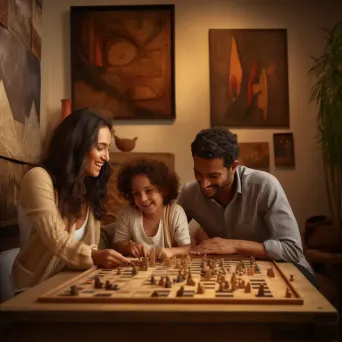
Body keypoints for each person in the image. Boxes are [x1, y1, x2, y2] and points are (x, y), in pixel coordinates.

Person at [177, 126, 316, 285]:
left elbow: (292, 250)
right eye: (198, 174)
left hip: (284, 269)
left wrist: (236, 245)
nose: (204, 184)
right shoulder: (189, 193)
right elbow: (166, 235)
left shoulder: (264, 186)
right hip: (234, 272)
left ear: (234, 167)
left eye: (213, 176)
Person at [12, 108, 130, 290]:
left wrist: (132, 231)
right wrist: (94, 256)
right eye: (100, 148)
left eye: (107, 149)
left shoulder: (88, 187)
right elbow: (57, 239)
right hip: (34, 287)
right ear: (77, 145)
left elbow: (93, 242)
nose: (106, 157)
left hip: (71, 284)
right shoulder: (38, 178)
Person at [114, 158, 191, 259]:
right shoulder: (128, 213)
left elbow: (186, 248)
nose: (143, 199)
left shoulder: (175, 212)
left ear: (164, 190)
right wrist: (129, 247)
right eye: (136, 193)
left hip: (168, 270)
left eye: (149, 190)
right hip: (138, 271)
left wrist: (171, 251)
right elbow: (118, 245)